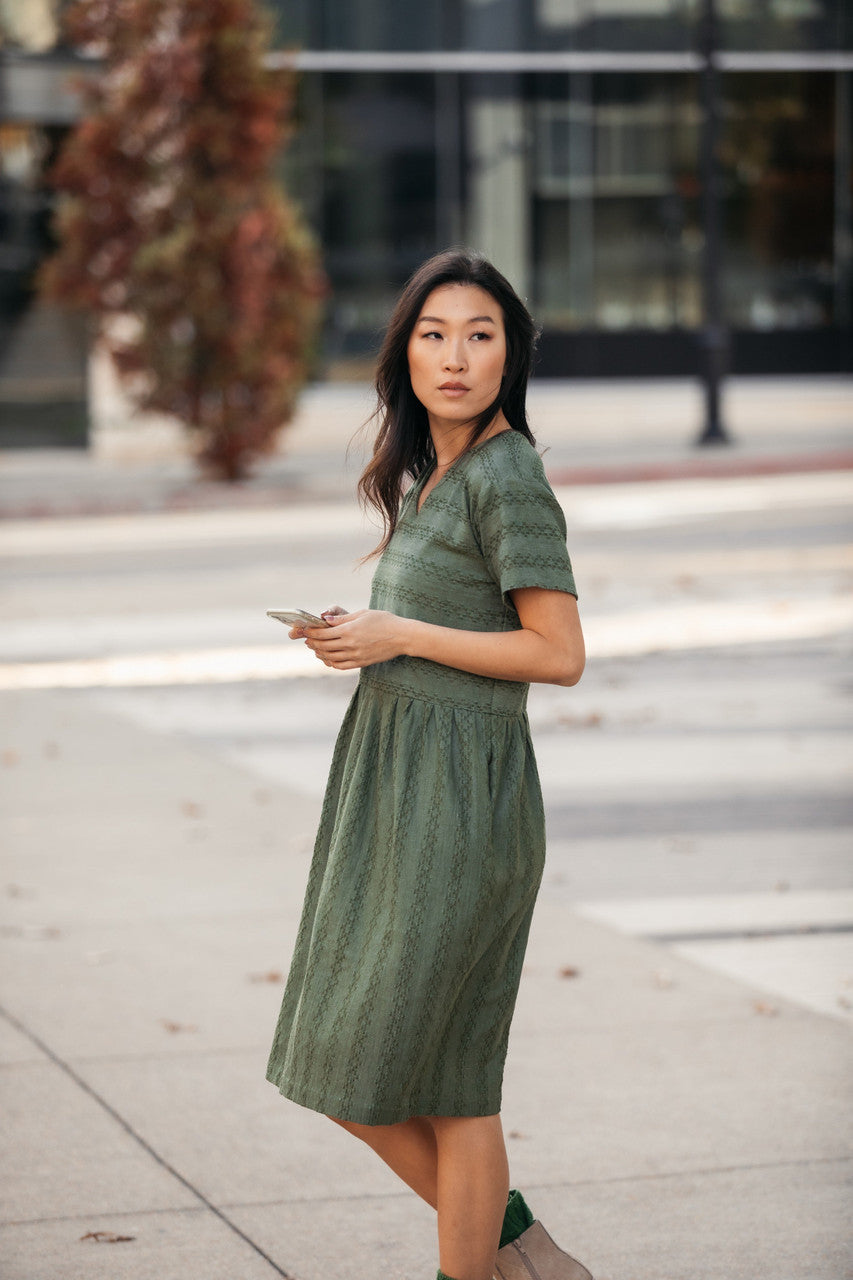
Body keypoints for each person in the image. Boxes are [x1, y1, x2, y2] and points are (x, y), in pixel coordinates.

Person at [266, 249, 592, 1280]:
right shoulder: (435, 476)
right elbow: (430, 626)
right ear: (404, 351)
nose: (455, 357)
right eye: (433, 333)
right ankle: (525, 1253)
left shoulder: (509, 475)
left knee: (441, 1079)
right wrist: (354, 633)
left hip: (463, 805)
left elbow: (558, 653)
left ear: (513, 355)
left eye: (481, 334)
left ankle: (501, 1261)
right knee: (350, 1062)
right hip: (397, 791)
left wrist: (398, 632)